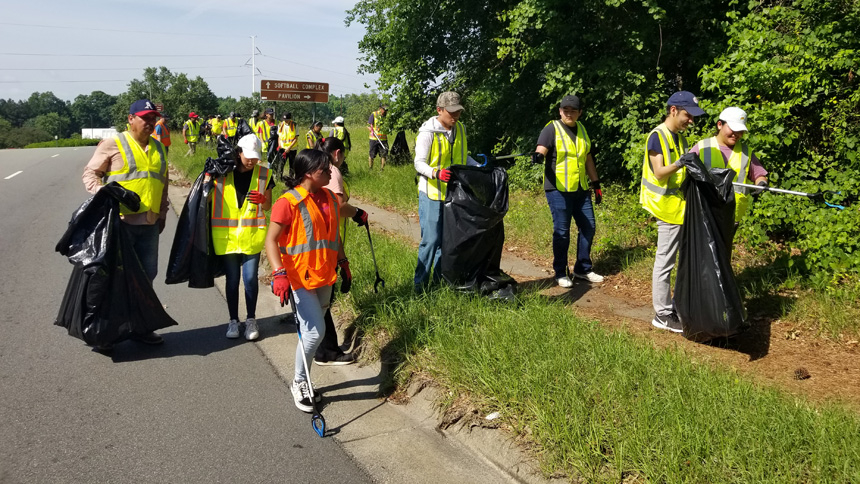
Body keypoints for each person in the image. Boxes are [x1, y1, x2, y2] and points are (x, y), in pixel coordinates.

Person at [265, 149, 351, 412]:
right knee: (315, 332)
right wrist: (278, 273)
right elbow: (271, 240)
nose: (329, 172)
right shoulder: (288, 202)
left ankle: (304, 377)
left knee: (310, 331)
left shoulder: (327, 197)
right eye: (324, 169)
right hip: (299, 277)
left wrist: (343, 261)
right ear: (309, 172)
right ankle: (300, 382)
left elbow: (332, 236)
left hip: (324, 274)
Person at [82, 99, 169, 347]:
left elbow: (163, 184)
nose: (150, 123)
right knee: (115, 278)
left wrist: (162, 214)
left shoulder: (159, 147)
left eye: (153, 118)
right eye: (145, 118)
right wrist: (104, 194)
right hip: (119, 224)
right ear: (130, 119)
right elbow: (90, 174)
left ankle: (141, 327)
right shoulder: (113, 143)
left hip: (150, 224)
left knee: (146, 277)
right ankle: (107, 333)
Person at [640, 91, 705, 333]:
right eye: (689, 115)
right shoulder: (658, 136)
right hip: (664, 207)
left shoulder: (678, 137)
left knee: (673, 261)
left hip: (678, 207)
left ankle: (673, 306)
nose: (692, 121)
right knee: (665, 262)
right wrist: (682, 163)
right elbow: (658, 172)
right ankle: (662, 313)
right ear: (674, 110)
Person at [533, 95, 604, 287]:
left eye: (573, 110)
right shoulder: (552, 128)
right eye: (565, 110)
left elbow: (588, 158)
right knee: (562, 232)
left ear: (580, 112)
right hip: (558, 190)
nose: (569, 113)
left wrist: (596, 184)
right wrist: (538, 156)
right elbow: (541, 149)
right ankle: (560, 272)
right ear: (560, 111)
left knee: (588, 227)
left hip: (581, 189)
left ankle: (582, 268)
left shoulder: (581, 129)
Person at [210, 134, 275, 341]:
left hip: (252, 235)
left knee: (249, 279)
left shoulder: (264, 174)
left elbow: (267, 206)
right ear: (238, 153)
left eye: (255, 157)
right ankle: (232, 320)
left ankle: (251, 319)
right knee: (232, 280)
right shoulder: (221, 173)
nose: (252, 161)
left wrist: (263, 199)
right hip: (226, 236)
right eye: (248, 156)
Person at [313, 137, 368, 365]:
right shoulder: (332, 171)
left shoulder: (316, 169)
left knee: (320, 300)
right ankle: (327, 352)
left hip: (322, 242)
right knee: (324, 301)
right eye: (343, 155)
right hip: (327, 245)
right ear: (337, 153)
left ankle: (322, 349)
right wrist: (357, 213)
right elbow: (336, 209)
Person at [413, 91, 476, 290]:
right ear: (439, 110)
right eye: (451, 112)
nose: (455, 116)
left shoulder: (461, 129)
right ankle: (420, 286)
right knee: (431, 241)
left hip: (454, 195)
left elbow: (463, 158)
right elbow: (418, 163)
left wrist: (479, 166)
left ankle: (439, 284)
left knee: (448, 242)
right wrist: (435, 173)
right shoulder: (427, 133)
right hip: (431, 194)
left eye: (458, 111)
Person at [691, 106, 768, 236]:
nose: (736, 134)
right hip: (704, 213)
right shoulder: (702, 147)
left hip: (732, 215)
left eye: (740, 131)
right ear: (720, 125)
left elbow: (759, 175)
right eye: (733, 129)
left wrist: (761, 183)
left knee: (723, 253)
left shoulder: (746, 152)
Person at [277, 112, 298, 179]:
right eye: (284, 119)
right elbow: (279, 136)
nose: (285, 121)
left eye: (287, 119)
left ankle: (291, 178)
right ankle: (279, 178)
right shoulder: (280, 125)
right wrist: (279, 145)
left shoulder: (294, 125)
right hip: (282, 148)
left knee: (291, 164)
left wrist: (289, 148)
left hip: (292, 148)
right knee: (281, 164)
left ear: (290, 119)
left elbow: (296, 138)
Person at [367, 105, 388, 170]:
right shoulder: (374, 114)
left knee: (384, 154)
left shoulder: (387, 116)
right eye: (384, 110)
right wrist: (370, 129)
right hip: (374, 139)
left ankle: (382, 169)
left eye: (386, 110)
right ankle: (370, 168)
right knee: (372, 155)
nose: (384, 112)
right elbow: (368, 125)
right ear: (380, 109)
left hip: (383, 139)